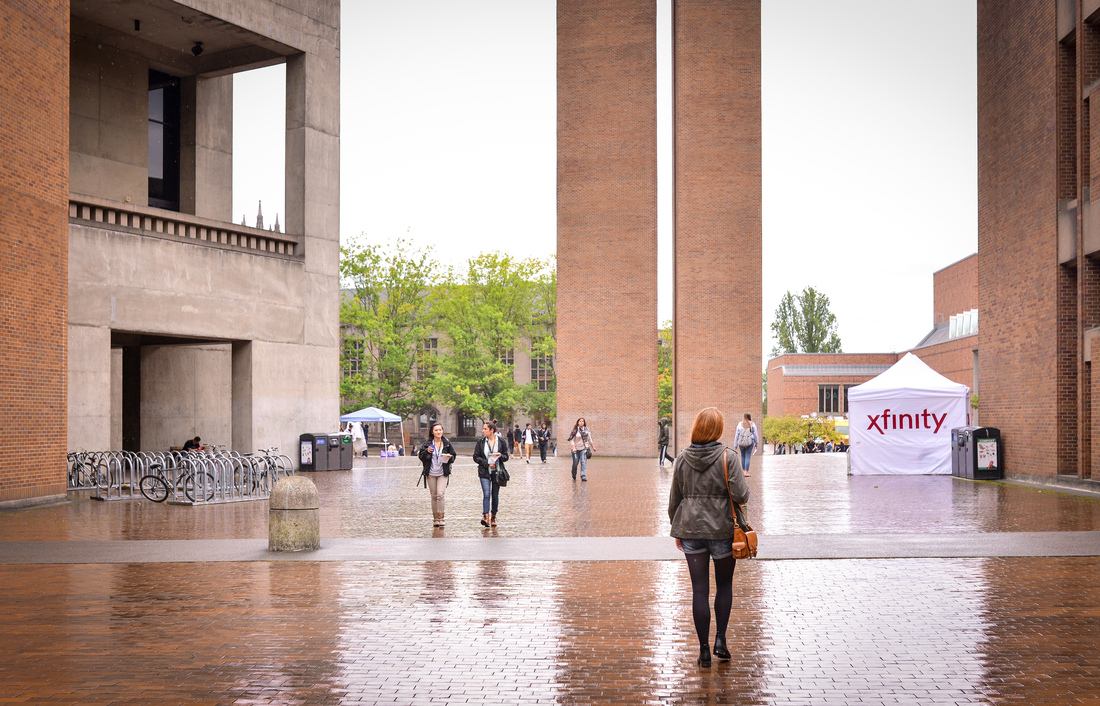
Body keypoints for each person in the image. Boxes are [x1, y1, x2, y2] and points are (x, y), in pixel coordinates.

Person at [668, 407, 750, 669]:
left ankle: (703, 651)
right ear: (717, 430)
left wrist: (677, 528)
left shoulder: (681, 458)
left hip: (691, 530)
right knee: (724, 586)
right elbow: (742, 495)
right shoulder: (729, 457)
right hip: (723, 531)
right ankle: (721, 642)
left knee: (699, 591)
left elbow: (675, 499)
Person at [417, 422, 456, 528]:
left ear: (442, 431)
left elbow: (453, 456)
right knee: (434, 496)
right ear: (432, 432)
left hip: (443, 472)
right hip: (430, 473)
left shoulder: (447, 443)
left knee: (440, 494)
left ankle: (441, 517)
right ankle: (435, 519)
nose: (438, 432)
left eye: (440, 430)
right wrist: (426, 451)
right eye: (436, 430)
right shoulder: (427, 443)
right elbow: (421, 456)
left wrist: (449, 457)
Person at [472, 421, 509, 528]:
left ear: (492, 430)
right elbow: (475, 457)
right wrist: (486, 462)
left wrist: (500, 455)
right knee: (486, 494)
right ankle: (485, 517)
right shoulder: (481, 442)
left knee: (495, 495)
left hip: (497, 472)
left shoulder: (501, 441)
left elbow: (506, 456)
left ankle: (493, 516)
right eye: (483, 429)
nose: (483, 431)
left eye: (485, 429)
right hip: (484, 471)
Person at [733, 413, 758, 478]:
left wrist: (735, 445)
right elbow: (755, 434)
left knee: (743, 456)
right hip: (750, 442)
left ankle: (743, 471)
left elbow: (736, 435)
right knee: (748, 456)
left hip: (741, 443)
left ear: (744, 417)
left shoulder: (739, 424)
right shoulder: (752, 424)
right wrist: (756, 443)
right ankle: (746, 472)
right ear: (750, 417)